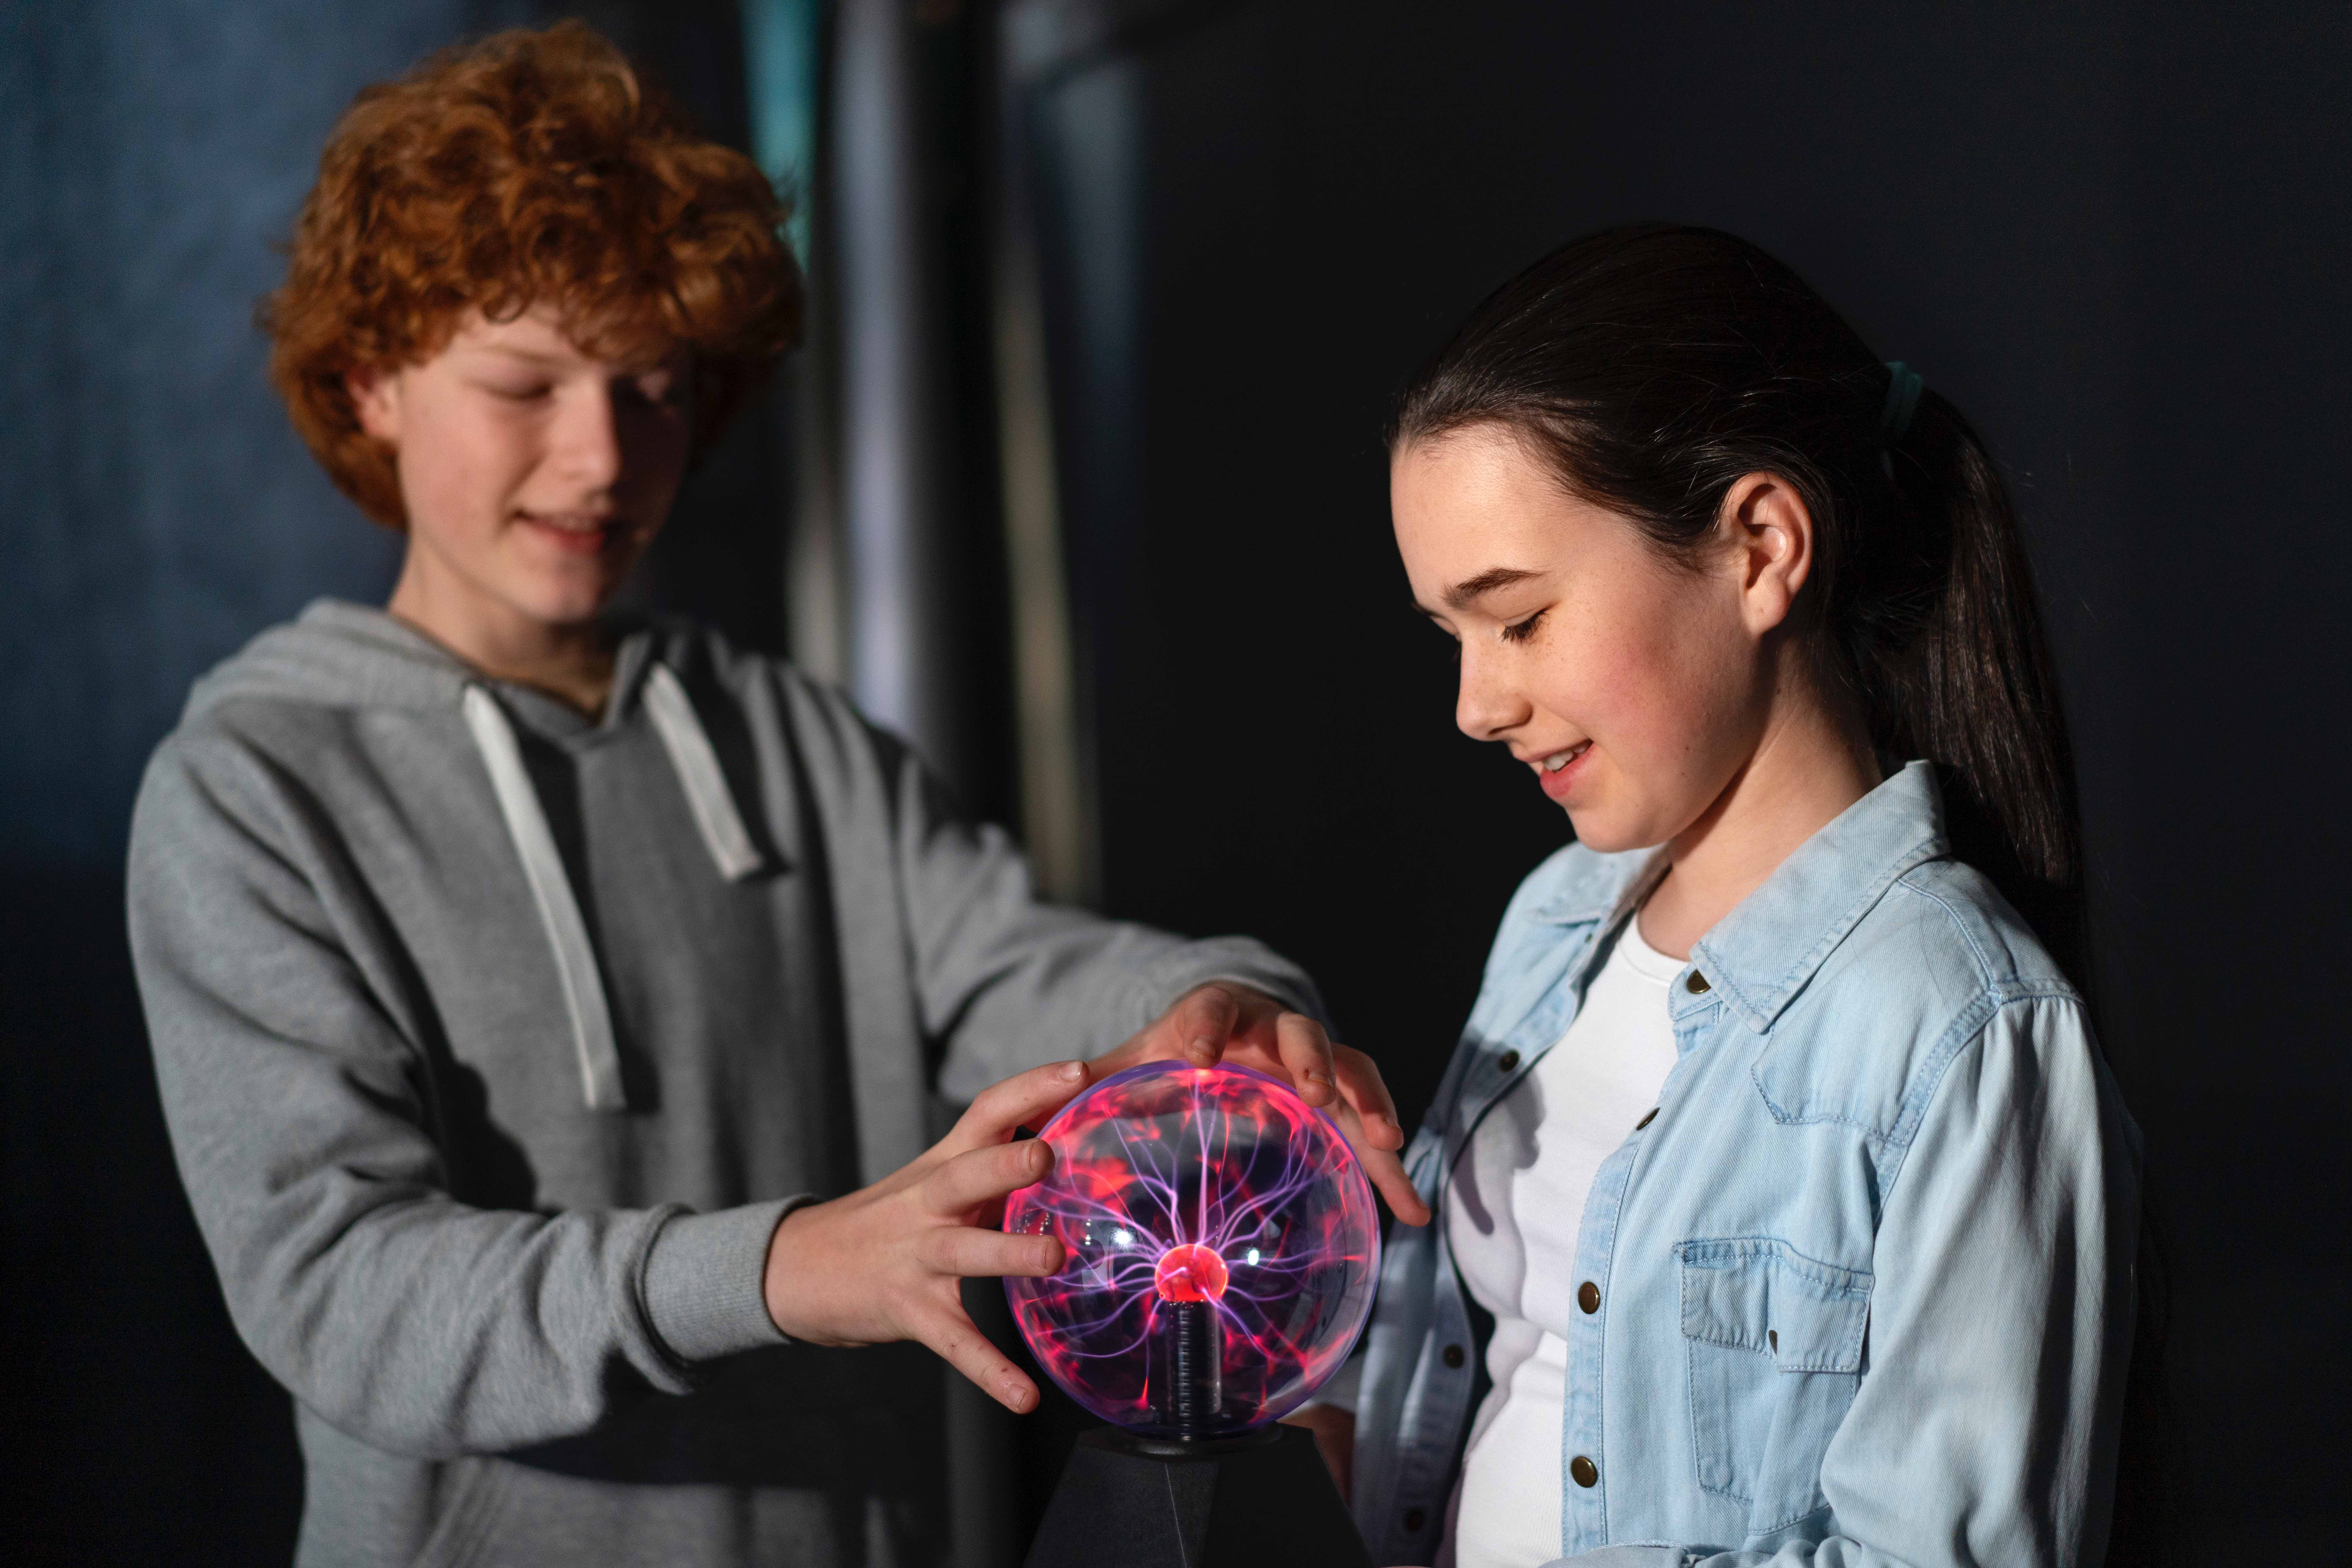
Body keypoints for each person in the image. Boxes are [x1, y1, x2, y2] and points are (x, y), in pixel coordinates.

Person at [124, 24, 1422, 1568]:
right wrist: (789, 1268)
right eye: (525, 384)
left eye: (654, 387)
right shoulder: (255, 787)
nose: (603, 455)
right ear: (371, 382)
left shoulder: (788, 739)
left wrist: (1218, 999)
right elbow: (343, 1296)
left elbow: (1031, 971)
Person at [1339, 225, 2140, 1567]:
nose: (1476, 705)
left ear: (1760, 547)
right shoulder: (1551, 921)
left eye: (1520, 617)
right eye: (1452, 635)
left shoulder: (1953, 1026)